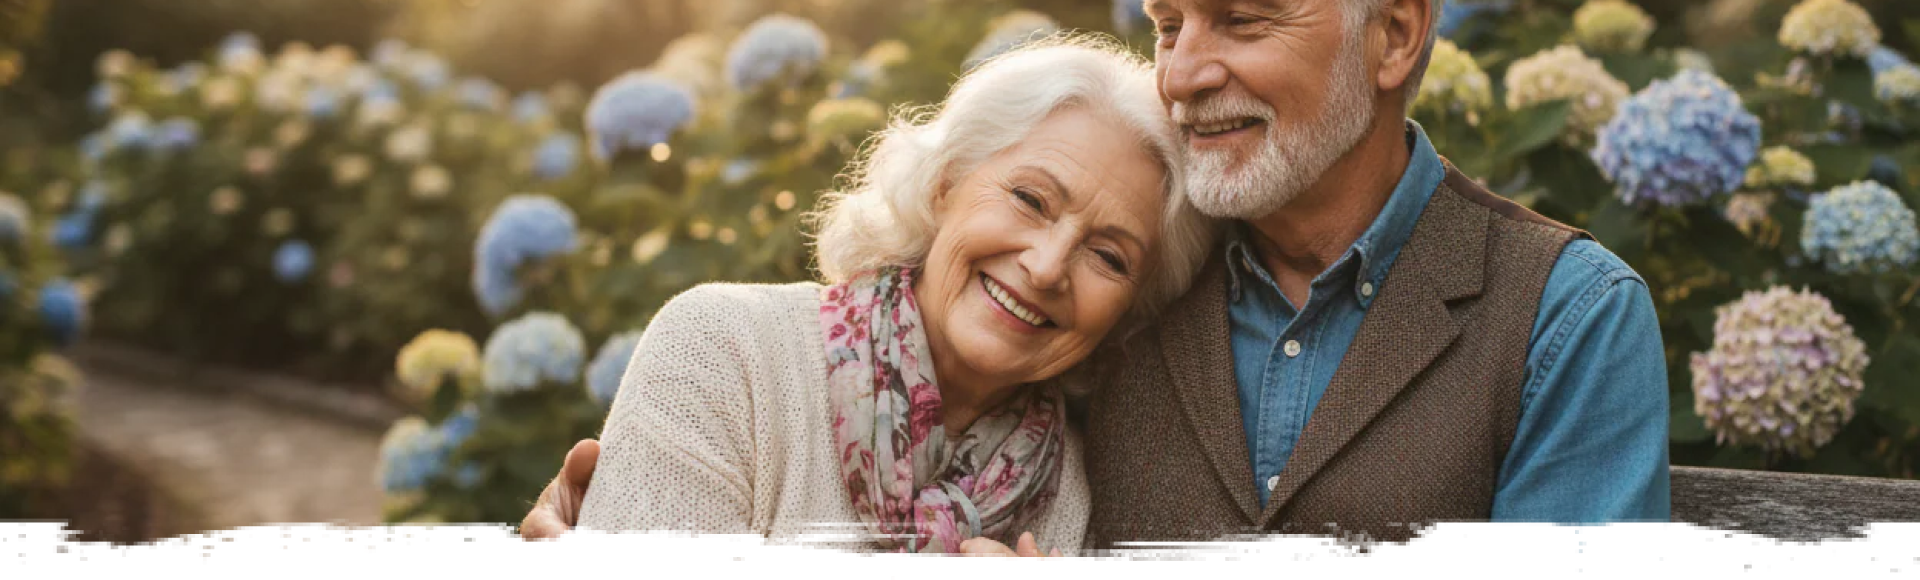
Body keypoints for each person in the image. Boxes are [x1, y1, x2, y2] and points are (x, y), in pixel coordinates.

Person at [526, 0, 1673, 560]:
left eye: (1242, 17)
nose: (1183, 72)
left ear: (1395, 36)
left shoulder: (1566, 318)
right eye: (1168, 21)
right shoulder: (1131, 293)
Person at [557, 36, 1218, 558]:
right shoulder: (727, 352)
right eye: (1029, 198)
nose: (1047, 267)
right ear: (944, 184)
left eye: (1108, 256)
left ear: (1129, 309)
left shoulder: (1076, 503)